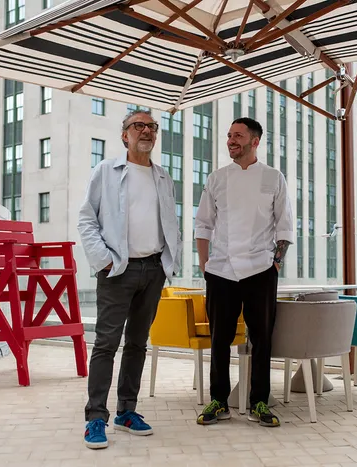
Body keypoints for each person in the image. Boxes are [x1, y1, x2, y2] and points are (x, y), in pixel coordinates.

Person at [78, 109, 182, 449]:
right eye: (139, 126)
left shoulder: (164, 177)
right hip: (118, 270)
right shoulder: (106, 171)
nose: (147, 131)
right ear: (125, 135)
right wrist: (104, 261)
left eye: (152, 127)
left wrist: (169, 263)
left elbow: (170, 223)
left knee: (138, 343)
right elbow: (86, 219)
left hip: (153, 270)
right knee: (106, 344)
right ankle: (95, 417)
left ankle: (127, 411)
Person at [194, 117, 293, 428]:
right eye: (229, 135)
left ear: (255, 141)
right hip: (221, 270)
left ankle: (259, 401)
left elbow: (285, 226)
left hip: (260, 270)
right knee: (219, 339)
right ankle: (219, 401)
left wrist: (275, 262)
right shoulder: (217, 178)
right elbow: (203, 223)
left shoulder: (274, 178)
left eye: (237, 135)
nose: (231, 140)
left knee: (263, 339)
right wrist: (205, 263)